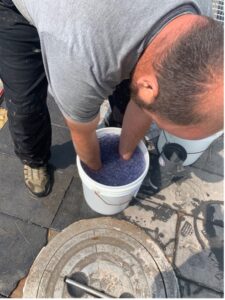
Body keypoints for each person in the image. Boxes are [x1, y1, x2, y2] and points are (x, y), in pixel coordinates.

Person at [0, 0, 223, 197]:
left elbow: (145, 99)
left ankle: (116, 129)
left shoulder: (202, 18)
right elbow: (82, 132)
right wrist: (99, 172)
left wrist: (125, 154)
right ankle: (34, 159)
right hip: (20, 12)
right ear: (148, 86)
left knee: (132, 92)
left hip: (100, 25)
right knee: (25, 102)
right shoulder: (79, 60)